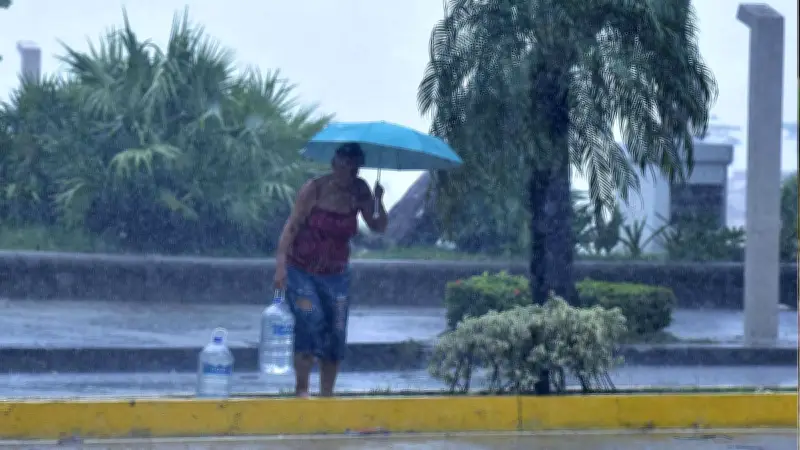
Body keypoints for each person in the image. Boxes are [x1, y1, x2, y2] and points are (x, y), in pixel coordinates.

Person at [274, 142, 388, 397]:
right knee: (310, 319)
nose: (349, 172)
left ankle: (327, 393)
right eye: (344, 166)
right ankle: (302, 389)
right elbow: (292, 225)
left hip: (336, 274)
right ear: (334, 165)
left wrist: (378, 200)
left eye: (355, 168)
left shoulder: (360, 191)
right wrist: (281, 264)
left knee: (336, 330)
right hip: (301, 269)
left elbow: (378, 227)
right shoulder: (314, 189)